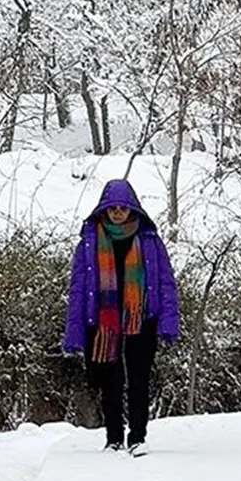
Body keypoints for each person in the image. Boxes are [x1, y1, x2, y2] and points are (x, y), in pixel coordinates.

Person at [64, 178, 180, 456]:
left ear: (132, 209)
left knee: (140, 379)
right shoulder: (89, 243)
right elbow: (78, 288)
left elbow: (166, 282)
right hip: (102, 322)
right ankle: (113, 437)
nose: (117, 212)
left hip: (142, 317)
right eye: (112, 207)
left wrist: (168, 322)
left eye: (122, 207)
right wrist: (74, 332)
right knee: (109, 381)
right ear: (103, 209)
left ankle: (137, 437)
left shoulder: (150, 241)